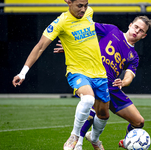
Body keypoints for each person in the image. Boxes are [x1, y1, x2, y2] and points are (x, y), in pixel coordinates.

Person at [12, 0, 110, 150]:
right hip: (77, 71)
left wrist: (70, 46)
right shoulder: (61, 22)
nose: (84, 9)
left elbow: (83, 41)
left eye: (86, 5)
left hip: (99, 73)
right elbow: (39, 47)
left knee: (103, 115)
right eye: (80, 6)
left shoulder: (89, 12)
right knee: (88, 98)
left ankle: (94, 139)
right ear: (68, 2)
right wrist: (23, 72)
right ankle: (74, 136)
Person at [54, 15, 151, 149]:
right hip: (95, 78)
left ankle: (126, 141)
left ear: (144, 36)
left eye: (141, 30)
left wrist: (123, 82)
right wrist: (71, 46)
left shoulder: (133, 56)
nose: (137, 31)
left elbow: (129, 76)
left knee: (139, 122)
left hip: (113, 86)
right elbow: (85, 29)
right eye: (136, 27)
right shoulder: (112, 30)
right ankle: (78, 142)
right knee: (92, 106)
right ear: (130, 25)